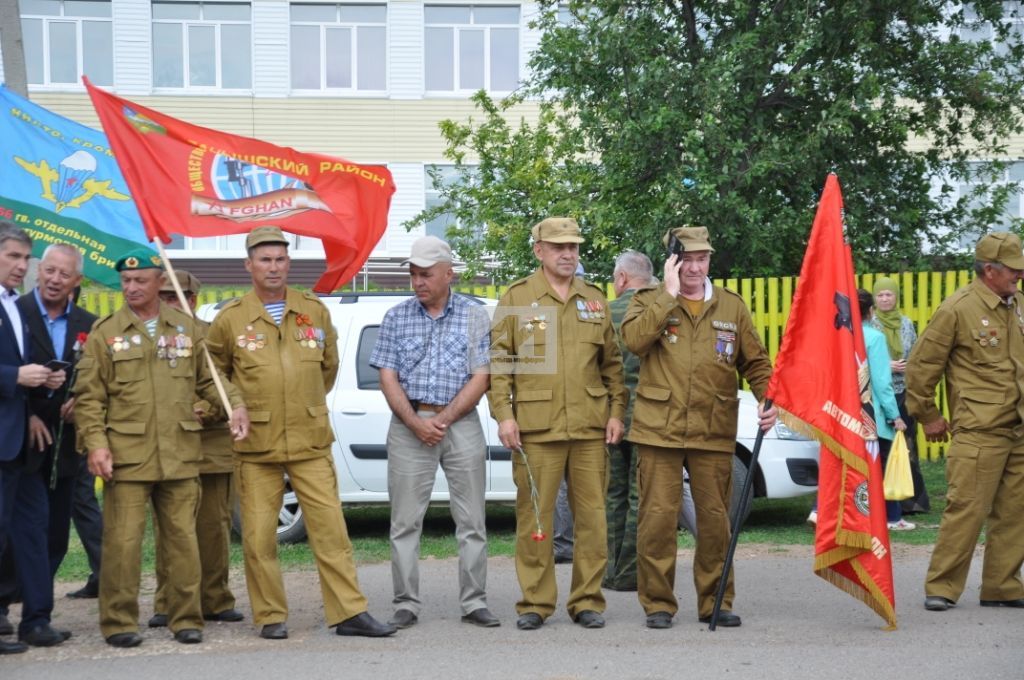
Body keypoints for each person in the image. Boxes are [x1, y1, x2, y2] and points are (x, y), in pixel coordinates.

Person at [206, 226, 395, 640]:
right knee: (258, 538)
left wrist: (301, 403)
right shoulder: (229, 319)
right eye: (264, 259)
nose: (273, 267)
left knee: (331, 531)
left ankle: (349, 613)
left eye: (280, 259)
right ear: (249, 265)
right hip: (256, 445)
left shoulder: (314, 311)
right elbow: (214, 372)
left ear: (288, 263)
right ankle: (271, 615)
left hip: (310, 441)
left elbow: (328, 368)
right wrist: (235, 403)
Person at [75, 250, 250, 648]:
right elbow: (89, 398)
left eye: (140, 281)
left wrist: (235, 405)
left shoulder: (187, 330)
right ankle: (119, 622)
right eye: (126, 282)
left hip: (180, 452)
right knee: (122, 543)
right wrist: (96, 445)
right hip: (128, 456)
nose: (132, 288)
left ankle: (185, 617)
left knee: (183, 541)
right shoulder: (106, 332)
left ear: (159, 283)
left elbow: (212, 381)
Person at [621, 226, 776, 630]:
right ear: (672, 262)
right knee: (656, 520)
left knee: (715, 520)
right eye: (685, 259)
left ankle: (716, 601)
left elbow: (755, 362)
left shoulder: (731, 306)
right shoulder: (648, 301)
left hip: (713, 426)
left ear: (710, 260)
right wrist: (667, 294)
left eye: (701, 258)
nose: (694, 267)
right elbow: (634, 342)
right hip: (659, 429)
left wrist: (768, 397)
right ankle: (658, 604)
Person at [488, 216, 626, 631]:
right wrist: (505, 416)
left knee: (593, 520)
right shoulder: (517, 298)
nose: (569, 254)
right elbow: (500, 367)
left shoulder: (594, 300)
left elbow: (613, 366)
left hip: (588, 426)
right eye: (559, 247)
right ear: (539, 251)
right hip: (536, 427)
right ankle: (535, 602)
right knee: (536, 519)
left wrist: (617, 411)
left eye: (574, 247)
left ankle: (586, 601)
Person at [370, 235, 498, 629]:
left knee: (472, 519)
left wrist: (443, 420)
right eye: (412, 274)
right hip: (410, 426)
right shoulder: (396, 317)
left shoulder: (476, 316)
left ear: (448, 273)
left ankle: (474, 602)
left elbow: (483, 376)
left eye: (425, 274)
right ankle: (406, 603)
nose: (417, 282)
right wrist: (415, 422)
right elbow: (387, 377)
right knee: (405, 521)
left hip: (461, 424)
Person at [906, 231, 1024, 612]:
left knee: (1015, 513)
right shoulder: (957, 309)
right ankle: (942, 586)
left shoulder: (1019, 303)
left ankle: (1002, 587)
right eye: (1012, 269)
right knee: (967, 510)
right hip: (979, 430)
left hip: (1020, 428)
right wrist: (929, 416)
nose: (1019, 275)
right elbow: (922, 367)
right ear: (989, 270)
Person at [148, 270, 244, 628]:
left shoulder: (211, 337)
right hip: (167, 447)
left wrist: (205, 408)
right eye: (165, 296)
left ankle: (215, 599)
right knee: (169, 529)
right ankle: (167, 600)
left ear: (193, 299)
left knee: (213, 527)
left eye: (179, 296)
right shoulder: (148, 338)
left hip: (211, 445)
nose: (172, 303)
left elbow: (229, 388)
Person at [13, 245, 99, 612]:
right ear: (39, 270)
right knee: (15, 530)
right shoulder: (14, 313)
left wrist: (81, 400)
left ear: (76, 281)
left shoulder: (88, 324)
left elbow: (95, 379)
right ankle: (3, 606)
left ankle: (38, 613)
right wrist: (27, 413)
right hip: (18, 440)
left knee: (56, 533)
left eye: (64, 274)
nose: (54, 279)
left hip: (65, 443)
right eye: (49, 271)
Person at [0, 223, 67, 653]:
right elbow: (12, 371)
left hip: (22, 440)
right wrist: (14, 377)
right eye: (13, 257)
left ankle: (36, 619)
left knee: (33, 528)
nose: (23, 266)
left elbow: (23, 368)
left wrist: (45, 383)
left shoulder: (14, 306)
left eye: (27, 258)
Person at [603, 250, 655, 591]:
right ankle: (630, 574)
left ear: (621, 278)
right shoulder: (662, 310)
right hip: (651, 416)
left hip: (611, 416)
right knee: (643, 497)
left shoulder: (606, 313)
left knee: (612, 494)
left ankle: (609, 569)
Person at [872, 276, 931, 515]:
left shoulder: (906, 323)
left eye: (889, 295)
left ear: (896, 297)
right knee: (885, 446)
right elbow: (866, 358)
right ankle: (885, 501)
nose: (885, 299)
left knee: (907, 444)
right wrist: (888, 365)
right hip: (880, 392)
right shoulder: (871, 324)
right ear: (875, 300)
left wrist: (909, 366)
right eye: (881, 295)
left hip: (903, 391)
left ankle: (911, 501)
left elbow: (915, 350)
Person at [857, 288, 913, 530]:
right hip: (873, 415)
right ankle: (891, 517)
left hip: (844, 414)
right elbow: (882, 382)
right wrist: (895, 415)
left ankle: (853, 516)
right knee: (884, 467)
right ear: (871, 311)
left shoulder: (838, 335)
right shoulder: (874, 337)